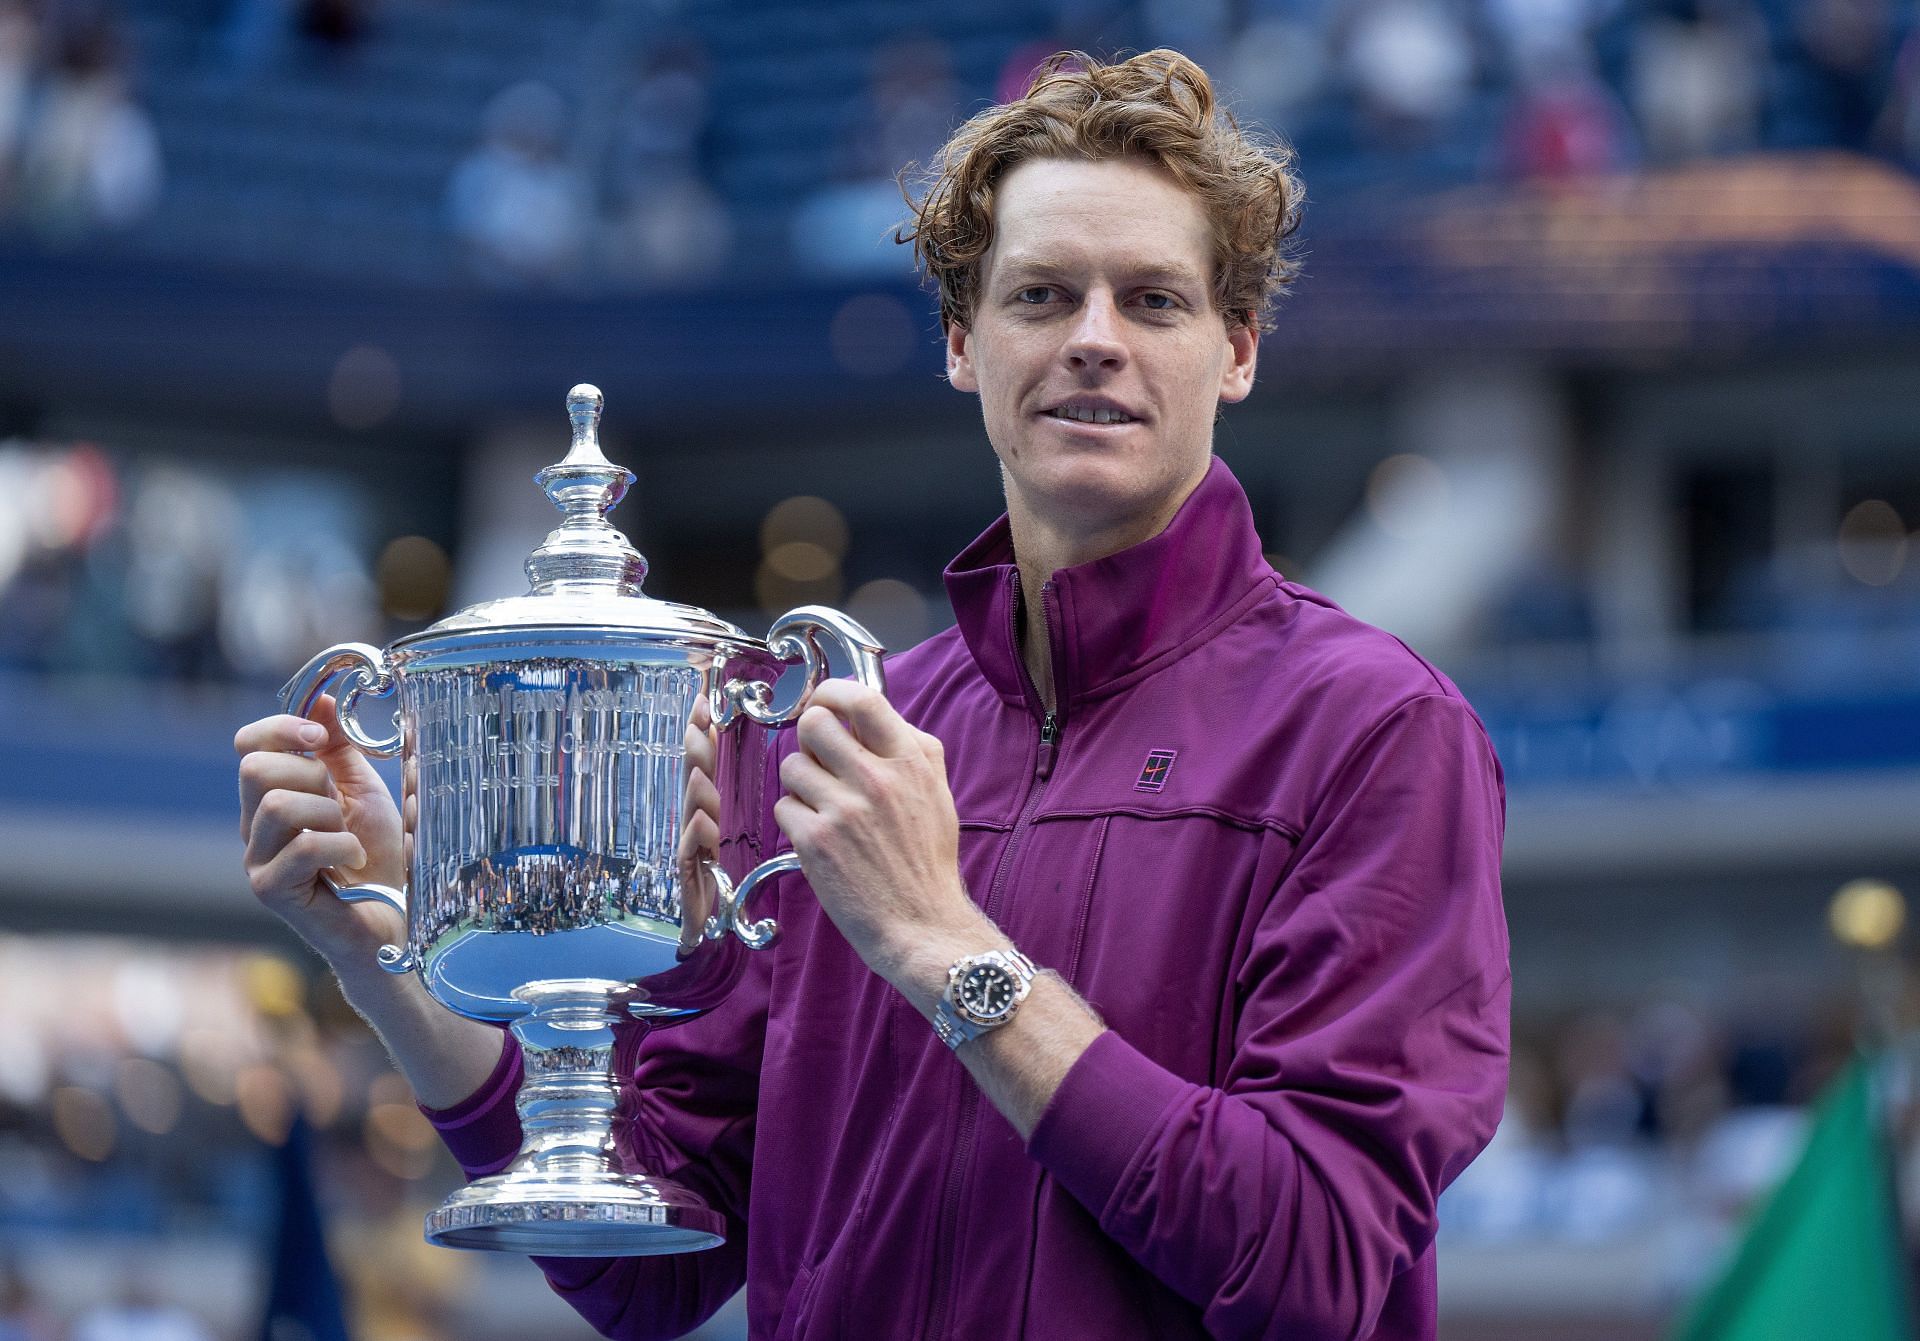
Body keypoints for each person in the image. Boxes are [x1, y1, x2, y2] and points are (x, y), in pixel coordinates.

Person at [236, 49, 1510, 1340]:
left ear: (1237, 348)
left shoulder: (1375, 731)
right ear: (965, 341)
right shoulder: (832, 739)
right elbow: (647, 1254)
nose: (1092, 340)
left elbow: (1317, 1261)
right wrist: (388, 946)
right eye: (1042, 293)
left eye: (1156, 300)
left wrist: (947, 947)